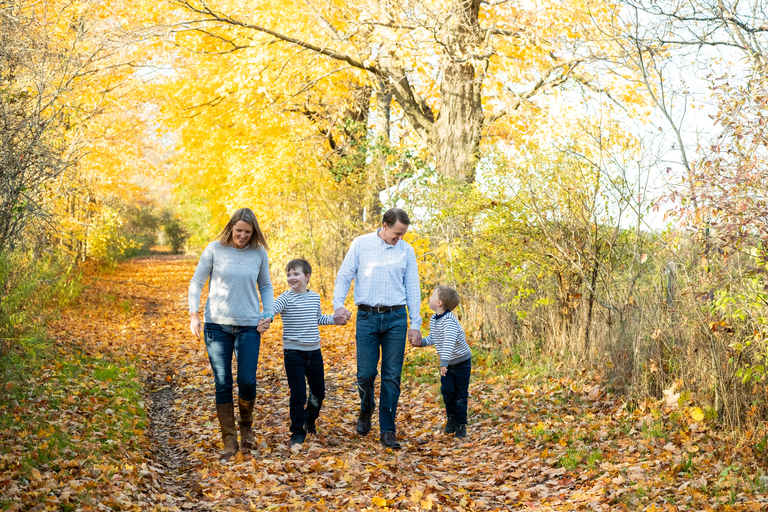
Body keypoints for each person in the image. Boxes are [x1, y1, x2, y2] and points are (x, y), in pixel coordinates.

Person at [188, 208, 274, 460]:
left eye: (248, 232)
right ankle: (229, 440)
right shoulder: (214, 249)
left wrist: (267, 313)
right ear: (231, 229)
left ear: (254, 232)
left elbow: (266, 286)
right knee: (223, 382)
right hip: (216, 324)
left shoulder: (259, 253)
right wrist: (194, 314)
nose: (243, 236)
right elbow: (197, 282)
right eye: (239, 231)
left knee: (247, 380)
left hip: (249, 324)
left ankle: (246, 427)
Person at [333, 208, 422, 449]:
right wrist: (338, 305)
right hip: (367, 317)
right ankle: (366, 407)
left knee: (392, 377)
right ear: (384, 225)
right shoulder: (360, 244)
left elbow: (413, 288)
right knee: (365, 374)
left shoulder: (406, 251)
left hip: (396, 318)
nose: (399, 238)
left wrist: (415, 324)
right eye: (396, 233)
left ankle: (387, 430)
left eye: (403, 234)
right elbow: (343, 276)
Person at [260, 259, 344, 447]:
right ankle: (297, 432)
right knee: (298, 394)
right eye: (288, 274)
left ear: (307, 277)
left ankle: (309, 420)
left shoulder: (314, 297)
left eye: (295, 274)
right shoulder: (285, 298)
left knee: (319, 392)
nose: (291, 277)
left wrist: (335, 320)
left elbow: (319, 318)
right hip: (293, 353)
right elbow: (271, 310)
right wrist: (267, 318)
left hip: (314, 352)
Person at [411, 285, 472, 438]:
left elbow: (449, 343)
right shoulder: (434, 319)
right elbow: (434, 337)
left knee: (460, 394)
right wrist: (422, 342)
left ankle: (460, 424)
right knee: (447, 392)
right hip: (447, 364)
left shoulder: (450, 321)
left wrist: (443, 363)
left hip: (461, 362)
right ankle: (451, 417)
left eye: (432, 296)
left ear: (439, 303)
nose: (429, 298)